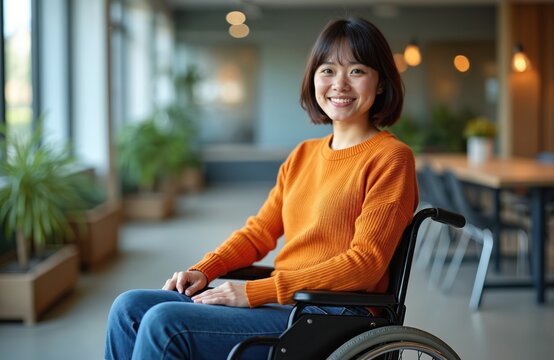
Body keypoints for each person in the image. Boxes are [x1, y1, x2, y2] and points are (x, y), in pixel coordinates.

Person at [105, 17, 418, 360]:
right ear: (313, 78)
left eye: (357, 71)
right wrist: (204, 269)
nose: (339, 84)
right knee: (129, 308)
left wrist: (255, 292)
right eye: (328, 70)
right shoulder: (303, 154)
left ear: (381, 84)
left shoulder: (391, 157)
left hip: (332, 313)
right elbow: (259, 233)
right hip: (291, 300)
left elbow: (365, 263)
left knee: (166, 323)